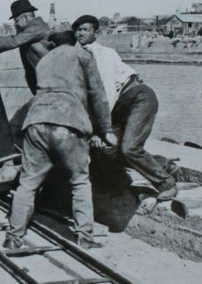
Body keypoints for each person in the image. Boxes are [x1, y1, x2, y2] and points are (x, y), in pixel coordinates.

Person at [5, 26, 117, 250]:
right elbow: (97, 94)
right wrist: (105, 130)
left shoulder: (45, 60)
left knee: (27, 184)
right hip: (68, 121)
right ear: (74, 40)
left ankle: (13, 237)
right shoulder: (83, 55)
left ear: (53, 44)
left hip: (36, 121)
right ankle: (85, 237)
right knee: (80, 181)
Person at [72, 14, 178, 201]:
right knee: (107, 150)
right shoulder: (80, 56)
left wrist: (100, 130)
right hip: (119, 107)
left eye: (86, 29)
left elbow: (106, 93)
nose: (81, 33)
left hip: (137, 98)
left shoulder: (104, 55)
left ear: (96, 33)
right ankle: (158, 165)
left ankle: (166, 183)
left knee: (129, 148)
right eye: (78, 30)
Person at [0, 0, 50, 94]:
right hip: (42, 76)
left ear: (25, 18)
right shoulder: (33, 28)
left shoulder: (36, 27)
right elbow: (11, 39)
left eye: (16, 21)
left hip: (47, 77)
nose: (15, 24)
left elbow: (14, 41)